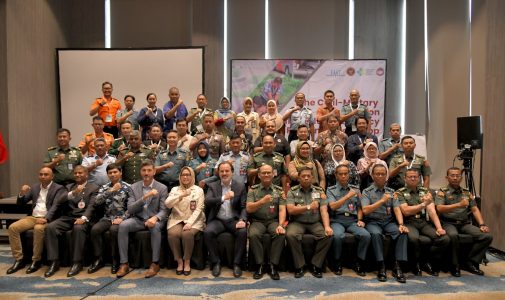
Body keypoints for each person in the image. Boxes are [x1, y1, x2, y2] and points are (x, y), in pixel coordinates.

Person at [6, 167, 66, 275]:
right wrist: (22, 193)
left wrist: (46, 218)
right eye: (41, 174)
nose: (43, 176)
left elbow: (56, 206)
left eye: (46, 174)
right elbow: (21, 204)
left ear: (52, 176)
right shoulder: (34, 188)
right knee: (12, 228)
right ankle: (19, 259)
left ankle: (36, 260)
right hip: (33, 217)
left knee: (38, 229)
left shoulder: (59, 188)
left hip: (48, 218)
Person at [435, 167, 493, 277]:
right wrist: (458, 205)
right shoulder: (442, 191)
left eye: (458, 175)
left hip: (464, 223)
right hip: (448, 223)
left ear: (461, 178)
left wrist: (482, 224)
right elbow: (439, 208)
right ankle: (454, 265)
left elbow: (475, 209)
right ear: (447, 177)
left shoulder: (466, 192)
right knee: (453, 235)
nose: (455, 178)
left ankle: (470, 262)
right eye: (452, 175)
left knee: (486, 236)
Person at [43, 166, 99, 277]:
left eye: (80, 173)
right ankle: (54, 261)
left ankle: (77, 262)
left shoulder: (94, 188)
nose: (77, 175)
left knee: (78, 228)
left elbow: (92, 206)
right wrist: (73, 193)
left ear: (86, 174)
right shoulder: (68, 187)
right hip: (69, 217)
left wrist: (83, 218)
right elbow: (60, 200)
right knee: (50, 227)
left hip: (84, 218)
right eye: (75, 173)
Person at [117, 161, 168, 278]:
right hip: (138, 219)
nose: (146, 173)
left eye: (149, 170)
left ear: (154, 172)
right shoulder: (133, 187)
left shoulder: (162, 188)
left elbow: (164, 210)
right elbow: (130, 209)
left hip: (154, 219)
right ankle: (124, 263)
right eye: (144, 170)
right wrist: (145, 197)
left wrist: (155, 218)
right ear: (140, 172)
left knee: (155, 227)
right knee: (123, 226)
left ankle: (155, 263)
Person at [361, 164, 408, 283]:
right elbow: (365, 210)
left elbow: (396, 208)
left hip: (388, 221)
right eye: (377, 174)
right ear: (372, 176)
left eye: (383, 174)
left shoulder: (391, 192)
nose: (380, 176)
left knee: (402, 232)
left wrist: (401, 224)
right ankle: (381, 266)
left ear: (386, 176)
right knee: (376, 234)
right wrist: (381, 201)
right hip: (373, 222)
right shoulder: (367, 191)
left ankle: (397, 266)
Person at [398, 169, 449, 276]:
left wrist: (439, 228)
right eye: (410, 177)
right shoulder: (400, 192)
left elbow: (431, 211)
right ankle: (415, 264)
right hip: (409, 222)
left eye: (415, 177)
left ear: (419, 178)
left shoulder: (425, 191)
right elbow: (406, 212)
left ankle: (426, 261)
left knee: (444, 239)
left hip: (423, 222)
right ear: (405, 178)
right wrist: (423, 204)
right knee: (413, 239)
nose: (412, 178)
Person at [286, 167, 332, 278]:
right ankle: (299, 266)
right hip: (297, 222)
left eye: (308, 176)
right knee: (290, 235)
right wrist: (308, 207)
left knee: (327, 235)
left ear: (312, 177)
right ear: (298, 178)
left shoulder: (319, 191)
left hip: (314, 223)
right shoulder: (292, 191)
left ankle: (316, 265)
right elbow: (291, 210)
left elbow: (323, 210)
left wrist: (327, 226)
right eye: (303, 176)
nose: (306, 178)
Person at [204, 162, 248, 278]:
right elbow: (207, 201)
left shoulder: (240, 186)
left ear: (232, 172)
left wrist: (242, 219)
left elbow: (244, 207)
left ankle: (237, 263)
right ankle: (215, 262)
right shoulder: (213, 186)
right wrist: (224, 197)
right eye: (222, 171)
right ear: (218, 173)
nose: (224, 173)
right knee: (208, 232)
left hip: (233, 219)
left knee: (242, 232)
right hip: (218, 219)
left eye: (227, 171)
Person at [88, 164, 134, 274]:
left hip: (121, 218)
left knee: (114, 231)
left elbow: (132, 207)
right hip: (107, 218)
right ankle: (98, 259)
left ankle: (116, 261)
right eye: (110, 173)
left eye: (115, 172)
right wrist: (111, 190)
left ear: (121, 172)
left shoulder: (129, 187)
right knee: (95, 230)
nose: (113, 174)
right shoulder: (104, 187)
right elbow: (97, 202)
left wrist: (122, 218)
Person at [327, 164, 370, 276]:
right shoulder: (330, 190)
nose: (343, 176)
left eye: (345, 173)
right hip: (337, 219)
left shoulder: (355, 189)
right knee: (337, 236)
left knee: (365, 235)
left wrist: (360, 219)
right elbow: (332, 206)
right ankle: (337, 262)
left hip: (352, 220)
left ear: (349, 175)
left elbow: (359, 207)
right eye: (340, 174)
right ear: (336, 176)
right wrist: (347, 196)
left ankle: (359, 262)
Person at [246, 164, 286, 280]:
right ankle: (260, 265)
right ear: (259, 175)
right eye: (263, 173)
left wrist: (280, 225)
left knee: (280, 233)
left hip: (273, 221)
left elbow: (282, 209)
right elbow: (249, 208)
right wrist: (262, 201)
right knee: (253, 234)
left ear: (273, 174)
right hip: (258, 221)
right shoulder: (253, 190)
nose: (266, 175)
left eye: (269, 172)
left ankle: (273, 265)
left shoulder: (279, 190)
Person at [165, 167, 206, 276]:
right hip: (177, 218)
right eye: (183, 175)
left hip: (194, 219)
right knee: (172, 234)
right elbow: (168, 204)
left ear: (192, 176)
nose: (185, 177)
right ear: (180, 177)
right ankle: (179, 261)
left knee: (187, 234)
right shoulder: (175, 190)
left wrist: (189, 223)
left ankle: (187, 261)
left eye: (188, 174)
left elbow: (199, 209)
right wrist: (181, 195)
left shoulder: (198, 190)